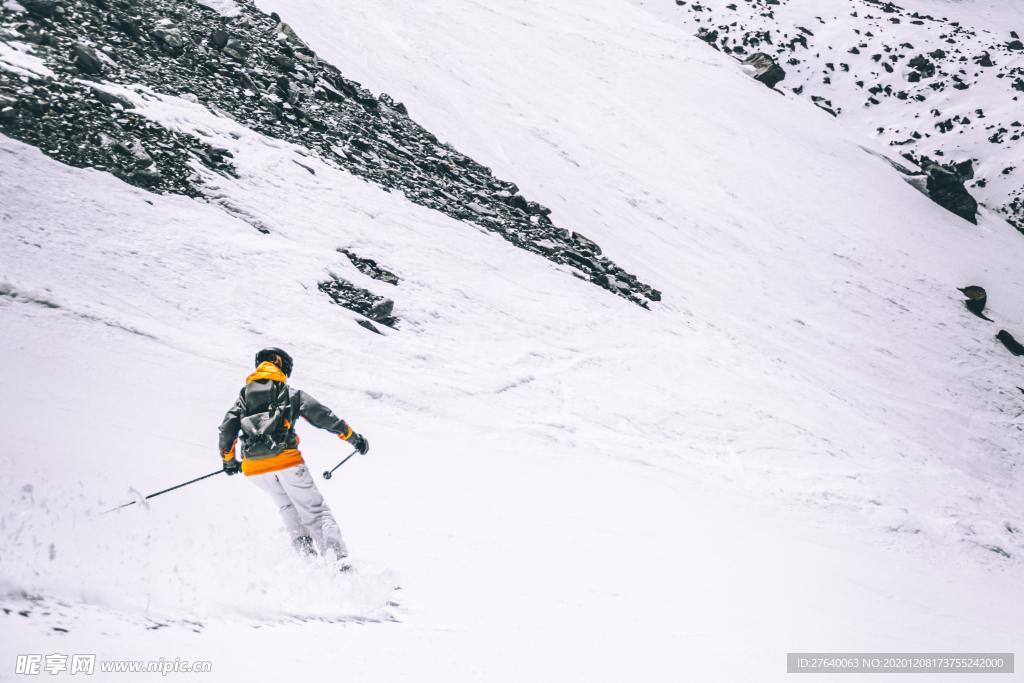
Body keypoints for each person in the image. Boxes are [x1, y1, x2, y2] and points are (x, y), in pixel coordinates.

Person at [218, 347, 369, 562]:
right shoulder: (288, 393)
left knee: (288, 509)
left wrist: (229, 461)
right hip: (287, 462)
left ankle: (307, 566)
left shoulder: (243, 397)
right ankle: (340, 568)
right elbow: (323, 416)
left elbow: (227, 431)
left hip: (254, 470)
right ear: (280, 364)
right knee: (316, 512)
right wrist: (354, 438)